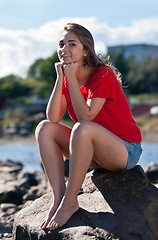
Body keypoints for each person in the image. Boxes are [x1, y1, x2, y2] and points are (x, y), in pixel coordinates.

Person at [35, 23, 142, 231]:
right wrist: (61, 79)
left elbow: (86, 116)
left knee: (82, 127)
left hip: (124, 150)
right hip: (92, 152)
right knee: (44, 128)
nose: (64, 48)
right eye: (61, 43)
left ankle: (70, 201)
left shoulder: (102, 75)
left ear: (85, 51)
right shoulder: (67, 78)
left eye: (72, 44)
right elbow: (53, 117)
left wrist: (72, 80)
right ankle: (59, 198)